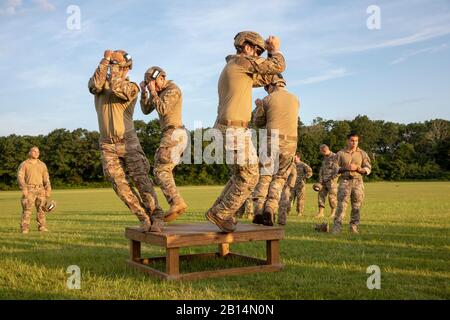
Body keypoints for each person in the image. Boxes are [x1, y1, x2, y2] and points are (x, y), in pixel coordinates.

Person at [205, 31, 286, 233]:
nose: (258, 54)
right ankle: (221, 213)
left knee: (240, 175)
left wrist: (267, 57)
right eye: (257, 51)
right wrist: (274, 50)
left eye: (261, 52)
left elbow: (266, 76)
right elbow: (278, 66)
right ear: (247, 47)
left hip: (229, 127)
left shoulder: (237, 67)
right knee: (250, 176)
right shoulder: (241, 63)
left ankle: (218, 209)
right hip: (233, 129)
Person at [88, 50, 164, 232]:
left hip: (128, 141)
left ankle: (157, 215)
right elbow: (94, 85)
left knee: (141, 180)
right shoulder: (100, 85)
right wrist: (105, 60)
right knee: (119, 185)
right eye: (118, 68)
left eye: (122, 68)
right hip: (107, 144)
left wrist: (113, 66)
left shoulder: (132, 88)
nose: (121, 71)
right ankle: (143, 217)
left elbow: (116, 88)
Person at [140, 66, 188, 222]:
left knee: (160, 169)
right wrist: (144, 92)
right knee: (163, 169)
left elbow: (162, 109)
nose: (153, 86)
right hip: (172, 134)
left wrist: (153, 92)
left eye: (153, 83)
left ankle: (177, 201)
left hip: (174, 133)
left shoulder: (172, 90)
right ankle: (176, 201)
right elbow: (146, 110)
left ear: (161, 77)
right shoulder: (160, 92)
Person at [251, 74, 299, 226]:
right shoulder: (295, 99)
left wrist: (258, 106)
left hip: (272, 140)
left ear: (271, 84)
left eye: (266, 87)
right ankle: (270, 209)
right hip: (291, 144)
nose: (266, 90)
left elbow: (258, 122)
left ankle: (258, 210)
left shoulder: (268, 99)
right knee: (279, 179)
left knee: (265, 177)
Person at [333, 133, 372, 234]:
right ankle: (337, 227)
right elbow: (334, 168)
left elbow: (368, 168)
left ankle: (353, 227)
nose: (354, 143)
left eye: (356, 141)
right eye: (352, 140)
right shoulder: (340, 154)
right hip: (344, 181)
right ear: (347, 141)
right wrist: (345, 168)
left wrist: (359, 169)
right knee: (341, 205)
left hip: (358, 182)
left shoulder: (362, 154)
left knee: (356, 205)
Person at [17, 146, 52, 233]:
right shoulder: (24, 164)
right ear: (29, 153)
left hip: (41, 189)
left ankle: (42, 227)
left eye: (38, 152)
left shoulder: (42, 165)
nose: (36, 153)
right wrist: (24, 187)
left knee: (41, 210)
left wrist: (48, 188)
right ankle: (24, 228)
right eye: (34, 151)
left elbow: (46, 178)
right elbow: (20, 177)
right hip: (29, 189)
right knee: (27, 210)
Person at [315, 144, 339, 218]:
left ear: (324, 150)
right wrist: (320, 180)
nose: (321, 153)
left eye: (321, 151)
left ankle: (333, 213)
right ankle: (321, 213)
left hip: (332, 181)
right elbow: (322, 169)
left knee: (332, 197)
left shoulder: (335, 157)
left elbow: (338, 169)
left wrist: (333, 179)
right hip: (323, 181)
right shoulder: (325, 157)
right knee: (321, 196)